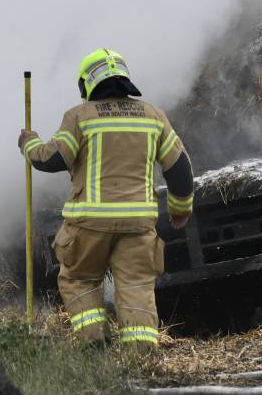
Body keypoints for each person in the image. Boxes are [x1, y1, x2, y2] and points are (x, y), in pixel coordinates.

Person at [18, 48, 194, 348]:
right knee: (137, 288)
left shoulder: (79, 116)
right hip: (138, 226)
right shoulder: (153, 116)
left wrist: (29, 143)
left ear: (88, 83)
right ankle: (140, 359)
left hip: (89, 226)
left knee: (78, 280)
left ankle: (94, 343)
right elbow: (180, 169)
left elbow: (53, 160)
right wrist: (180, 208)